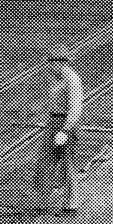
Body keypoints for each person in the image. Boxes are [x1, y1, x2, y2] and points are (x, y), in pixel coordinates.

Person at [34, 46, 84, 214]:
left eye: (57, 62)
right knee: (45, 159)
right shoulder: (52, 76)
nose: (53, 65)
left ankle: (72, 203)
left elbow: (75, 109)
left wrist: (65, 130)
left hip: (67, 122)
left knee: (68, 163)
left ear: (64, 63)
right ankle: (44, 200)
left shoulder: (72, 79)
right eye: (51, 62)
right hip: (53, 120)